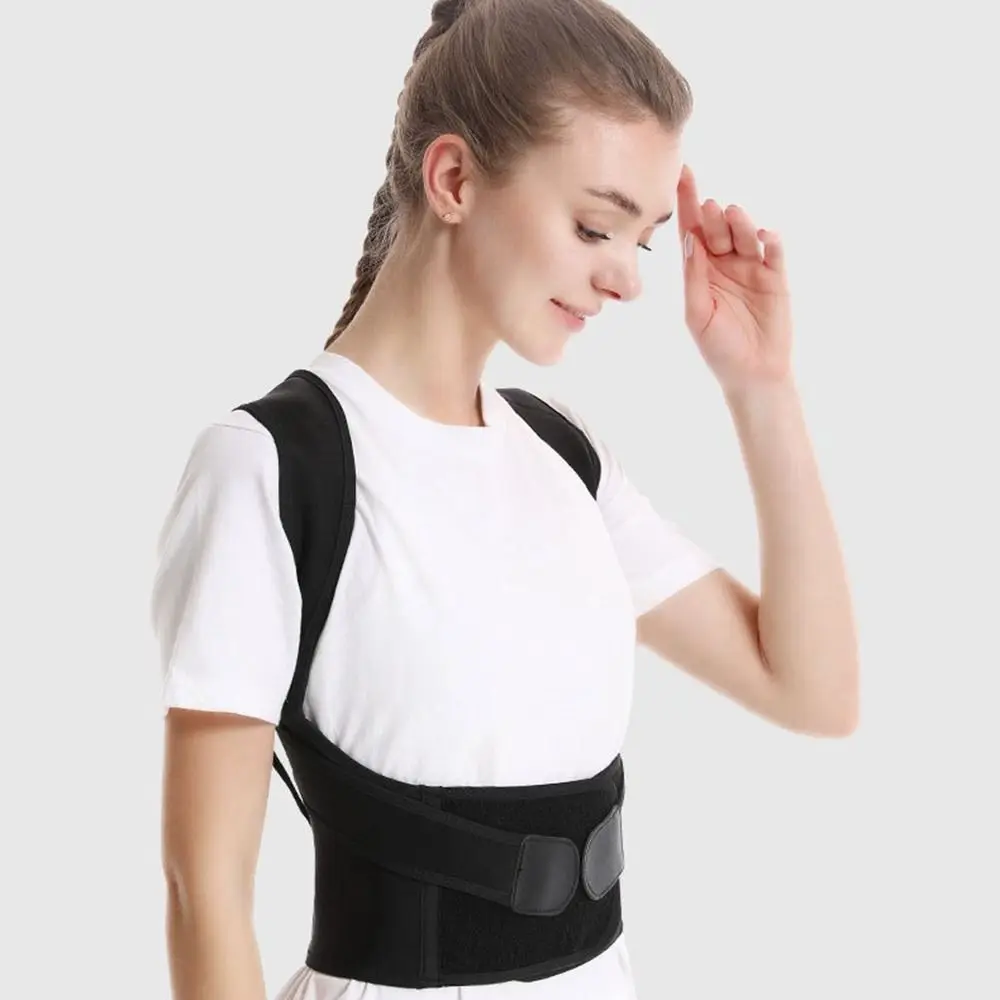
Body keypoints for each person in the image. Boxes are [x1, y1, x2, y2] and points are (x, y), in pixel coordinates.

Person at [149, 0, 860, 997]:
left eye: (642, 242)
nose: (627, 282)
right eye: (595, 226)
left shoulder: (564, 456)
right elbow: (206, 892)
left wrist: (762, 386)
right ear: (453, 179)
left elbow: (814, 692)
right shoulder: (272, 467)